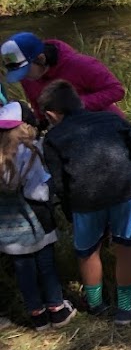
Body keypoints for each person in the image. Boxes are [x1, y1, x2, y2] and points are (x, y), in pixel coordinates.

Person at [40, 80, 131, 324]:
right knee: (126, 250)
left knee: (88, 253)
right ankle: (124, 309)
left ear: (50, 114)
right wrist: (130, 171)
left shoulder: (53, 137)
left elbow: (59, 182)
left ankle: (96, 305)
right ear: (80, 102)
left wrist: (69, 211)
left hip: (84, 200)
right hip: (124, 192)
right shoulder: (112, 120)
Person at [0, 101, 73, 331]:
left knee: (24, 270)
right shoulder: (31, 152)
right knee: (46, 265)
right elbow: (38, 192)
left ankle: (37, 315)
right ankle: (57, 309)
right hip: (36, 221)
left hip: (8, 228)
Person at [3, 31, 125, 118]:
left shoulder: (80, 64)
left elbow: (116, 90)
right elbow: (37, 107)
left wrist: (76, 104)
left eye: (25, 71)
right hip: (69, 133)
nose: (24, 77)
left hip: (107, 124)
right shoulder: (27, 78)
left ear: (41, 59)